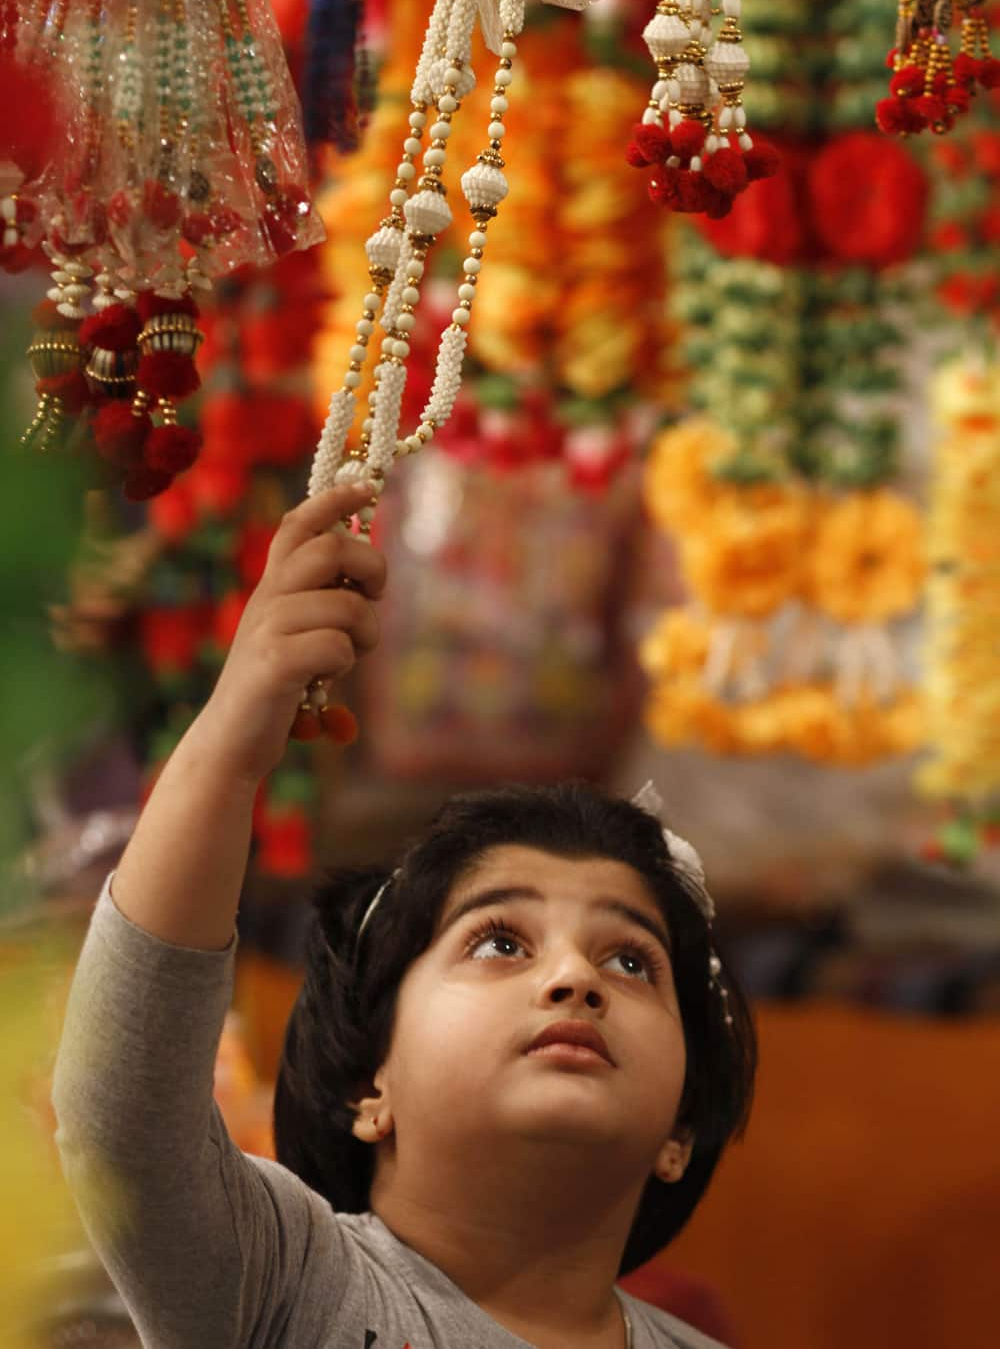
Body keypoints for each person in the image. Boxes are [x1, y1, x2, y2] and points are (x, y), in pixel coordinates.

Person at [52, 482, 757, 1349]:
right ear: (371, 1084)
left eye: (632, 962)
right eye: (500, 940)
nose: (575, 977)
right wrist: (234, 741)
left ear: (681, 1130)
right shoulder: (288, 1283)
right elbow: (123, 1123)